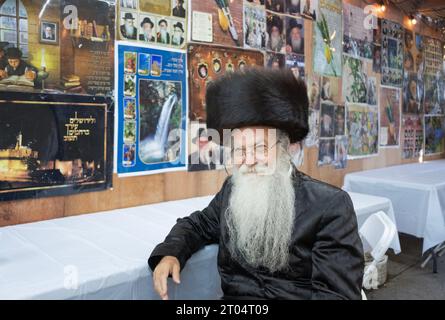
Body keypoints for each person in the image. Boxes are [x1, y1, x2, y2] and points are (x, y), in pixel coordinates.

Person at [149, 68, 364, 300]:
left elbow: (335, 295)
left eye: (260, 148)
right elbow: (197, 225)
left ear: (284, 149)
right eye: (240, 150)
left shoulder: (330, 206)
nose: (249, 161)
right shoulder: (233, 190)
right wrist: (171, 253)